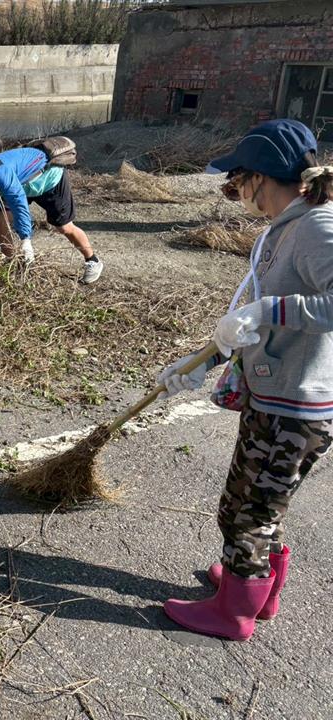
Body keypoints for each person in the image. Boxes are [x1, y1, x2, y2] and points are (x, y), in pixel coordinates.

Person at [156, 119, 333, 641]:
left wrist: (271, 310)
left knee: (246, 514)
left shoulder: (317, 226)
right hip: (276, 395)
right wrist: (199, 363)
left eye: (237, 180)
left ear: (261, 175)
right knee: (257, 503)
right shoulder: (287, 226)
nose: (236, 193)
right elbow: (250, 318)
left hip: (296, 407)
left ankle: (234, 610)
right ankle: (256, 587)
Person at [0, 148, 104, 284]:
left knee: (64, 227)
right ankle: (12, 263)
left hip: (46, 178)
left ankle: (93, 261)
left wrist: (26, 240)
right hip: (22, 184)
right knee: (0, 217)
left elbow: (18, 202)